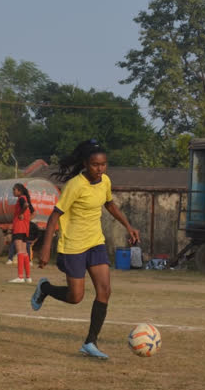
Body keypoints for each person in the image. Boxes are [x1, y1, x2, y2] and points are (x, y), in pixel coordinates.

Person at [31, 139, 140, 359]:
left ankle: (90, 342)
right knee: (75, 297)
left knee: (105, 290)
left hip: (95, 242)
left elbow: (109, 204)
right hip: (73, 245)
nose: (100, 169)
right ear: (85, 164)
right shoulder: (74, 186)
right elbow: (54, 216)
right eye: (95, 165)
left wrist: (128, 226)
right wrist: (46, 247)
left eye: (103, 164)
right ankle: (45, 289)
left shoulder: (105, 181)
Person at [9, 183, 34, 284]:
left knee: (19, 251)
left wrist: (20, 214)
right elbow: (33, 212)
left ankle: (20, 277)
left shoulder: (21, 199)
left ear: (19, 190)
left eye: (14, 190)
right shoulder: (26, 198)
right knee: (25, 252)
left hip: (19, 228)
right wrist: (27, 220)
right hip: (25, 228)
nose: (13, 192)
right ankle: (28, 277)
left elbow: (26, 206)